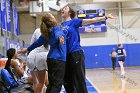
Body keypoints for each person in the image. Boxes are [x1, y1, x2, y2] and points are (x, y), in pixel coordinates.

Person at [60, 5, 117, 93]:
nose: (62, 9)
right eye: (63, 8)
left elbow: (92, 20)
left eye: (65, 8)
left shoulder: (74, 22)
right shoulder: (61, 25)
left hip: (76, 53)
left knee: (79, 80)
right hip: (65, 55)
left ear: (70, 12)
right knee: (67, 81)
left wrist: (105, 17)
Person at [20, 13, 66, 93]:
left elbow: (37, 43)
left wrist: (27, 49)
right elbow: (58, 34)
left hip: (50, 58)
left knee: (51, 84)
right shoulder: (56, 28)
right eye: (52, 16)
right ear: (51, 19)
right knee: (57, 85)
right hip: (58, 59)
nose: (54, 17)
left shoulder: (46, 32)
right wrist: (60, 38)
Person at [27, 28, 49, 93]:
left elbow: (31, 45)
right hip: (46, 55)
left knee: (37, 82)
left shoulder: (37, 30)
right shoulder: (53, 30)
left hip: (33, 57)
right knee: (45, 83)